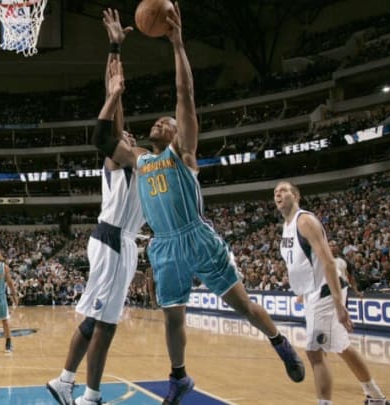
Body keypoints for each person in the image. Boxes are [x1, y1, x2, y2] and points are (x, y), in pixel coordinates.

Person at [91, 6, 306, 404]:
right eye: (156, 122)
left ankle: (279, 341)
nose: (159, 122)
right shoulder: (140, 160)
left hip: (198, 237)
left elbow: (184, 95)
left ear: (176, 131)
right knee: (174, 317)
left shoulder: (183, 153)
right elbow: (105, 135)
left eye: (165, 122)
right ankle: (179, 377)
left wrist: (177, 46)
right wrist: (114, 51)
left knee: (241, 304)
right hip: (164, 245)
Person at [47, 10, 145, 405]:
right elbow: (114, 91)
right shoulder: (120, 158)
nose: (128, 134)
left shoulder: (144, 161)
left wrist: (117, 52)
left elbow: (116, 91)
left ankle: (89, 394)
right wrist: (114, 47)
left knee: (108, 325)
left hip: (125, 243)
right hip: (110, 239)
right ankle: (65, 381)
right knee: (95, 320)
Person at [275, 181, 390, 405]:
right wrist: (301, 291)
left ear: (296, 195)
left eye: (283, 190)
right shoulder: (286, 227)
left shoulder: (305, 221)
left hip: (326, 292)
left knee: (315, 351)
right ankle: (376, 397)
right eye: (275, 192)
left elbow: (329, 262)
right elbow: (302, 263)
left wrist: (339, 304)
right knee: (342, 347)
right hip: (312, 293)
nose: (278, 194)